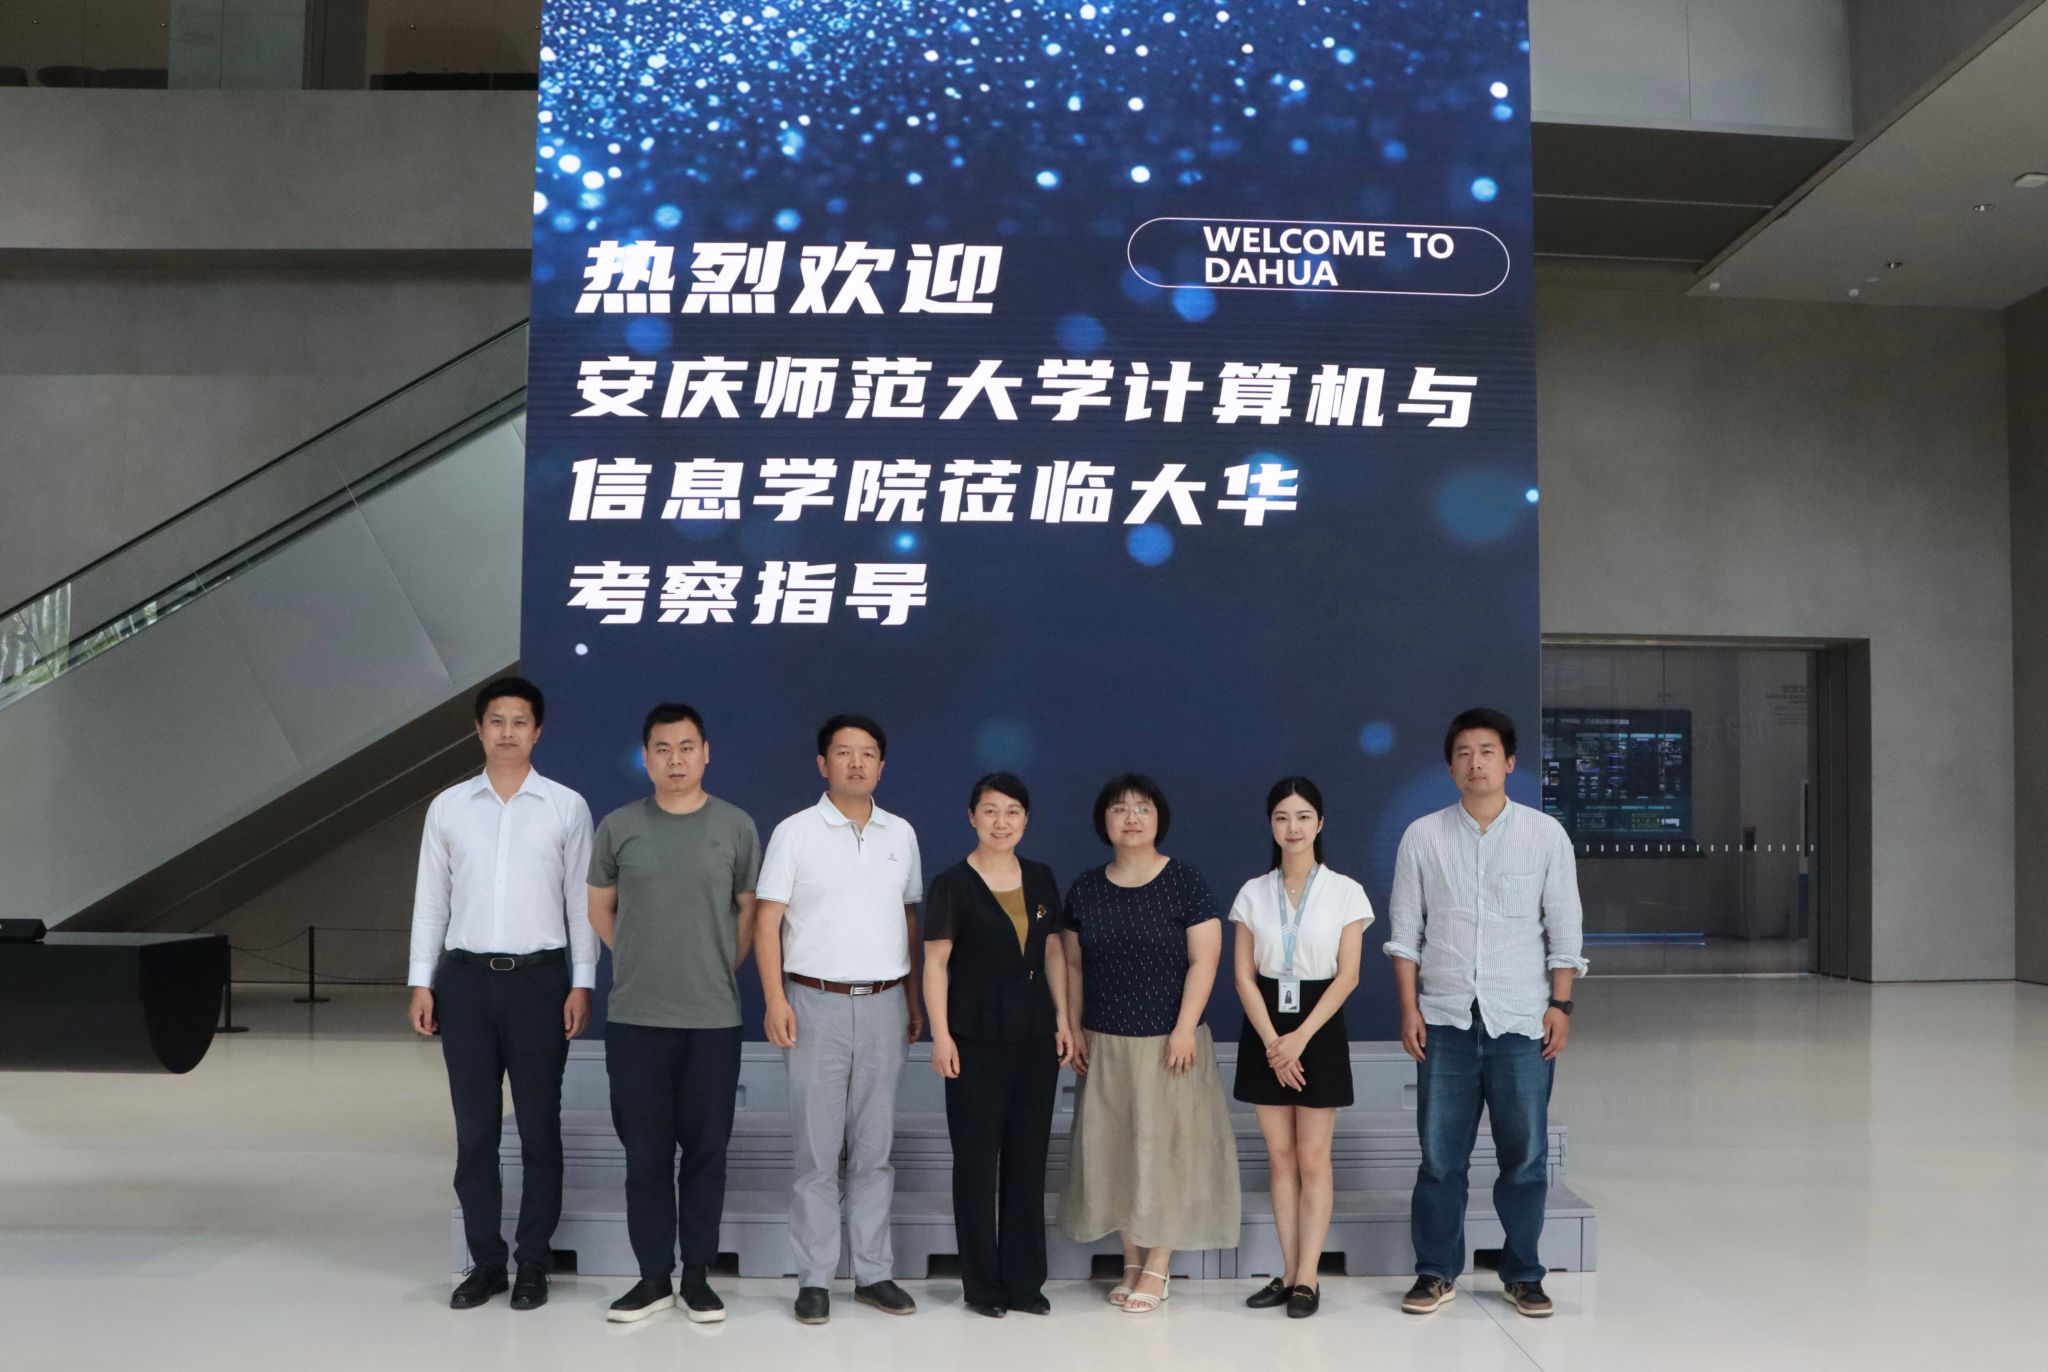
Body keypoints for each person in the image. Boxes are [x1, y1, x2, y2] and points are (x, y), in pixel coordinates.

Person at [1387, 708, 1586, 1320]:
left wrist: (1561, 1004)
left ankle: (1522, 1273)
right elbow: (1405, 933)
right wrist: (1409, 1008)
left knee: (1524, 1160)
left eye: (1488, 751)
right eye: (1464, 753)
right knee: (1439, 1159)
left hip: (1522, 1019)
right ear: (1451, 767)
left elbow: (1565, 928)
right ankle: (1435, 1271)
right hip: (1444, 1018)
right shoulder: (1422, 836)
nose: (1476, 762)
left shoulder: (1545, 835)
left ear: (1510, 763)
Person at [406, 676, 596, 1312]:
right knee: (475, 1131)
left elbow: (581, 904)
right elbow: (431, 900)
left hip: (541, 981)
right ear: (479, 730)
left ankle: (533, 1262)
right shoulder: (448, 807)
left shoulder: (566, 806)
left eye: (520, 721)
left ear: (537, 732)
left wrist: (582, 981)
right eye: (496, 720)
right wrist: (422, 980)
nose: (507, 731)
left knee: (540, 1129)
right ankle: (485, 1262)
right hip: (464, 982)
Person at [588, 703, 761, 1325]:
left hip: (713, 1018)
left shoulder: (736, 827)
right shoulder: (618, 827)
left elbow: (749, 914)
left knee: (707, 1151)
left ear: (706, 753)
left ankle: (697, 1277)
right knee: (646, 1154)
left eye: (687, 747)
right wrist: (639, 958)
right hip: (636, 1017)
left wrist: (714, 965)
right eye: (662, 749)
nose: (676, 759)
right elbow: (599, 907)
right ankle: (653, 1277)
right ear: (646, 758)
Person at [754, 713, 925, 1325]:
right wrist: (774, 999)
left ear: (882, 765)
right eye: (844, 752)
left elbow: (908, 917)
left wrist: (913, 1000)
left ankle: (874, 1273)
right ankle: (815, 1279)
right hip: (813, 1003)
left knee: (876, 1149)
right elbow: (768, 920)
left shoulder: (901, 834)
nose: (857, 763)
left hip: (885, 1003)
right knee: (817, 1152)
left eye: (868, 753)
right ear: (822, 763)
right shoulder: (795, 832)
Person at [1057, 774, 1239, 1315]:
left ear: (1159, 818)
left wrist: (1185, 1027)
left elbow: (1205, 959)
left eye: (1142, 807)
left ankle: (1159, 1264)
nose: (1131, 817)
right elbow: (1072, 964)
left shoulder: (1184, 881)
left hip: (1169, 1043)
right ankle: (1132, 1259)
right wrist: (1074, 1025)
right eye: (1119, 808)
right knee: (1113, 1152)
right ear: (1104, 821)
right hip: (1105, 1043)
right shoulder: (1087, 887)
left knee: (1168, 1154)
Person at [923, 773, 1076, 1318]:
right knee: (976, 1163)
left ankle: (1025, 1282)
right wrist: (940, 1035)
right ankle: (983, 1286)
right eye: (990, 810)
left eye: (1012, 811)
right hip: (974, 1037)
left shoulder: (1041, 876)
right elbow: (935, 964)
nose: (1001, 821)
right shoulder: (951, 884)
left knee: (1028, 1160)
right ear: (972, 817)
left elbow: (1054, 951)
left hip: (1035, 1036)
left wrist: (1064, 1019)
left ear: (1026, 820)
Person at [1230, 776, 1372, 1319]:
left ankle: (1309, 1276)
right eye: (1282, 817)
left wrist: (1300, 1039)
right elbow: (1243, 977)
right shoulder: (1252, 892)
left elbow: (1349, 975)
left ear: (1320, 823)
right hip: (1266, 1027)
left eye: (1303, 816)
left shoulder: (1346, 891)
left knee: (1313, 1158)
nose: (1293, 827)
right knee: (1280, 1158)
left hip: (1319, 1027)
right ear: (1271, 824)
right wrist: (1274, 1043)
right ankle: (1288, 1274)